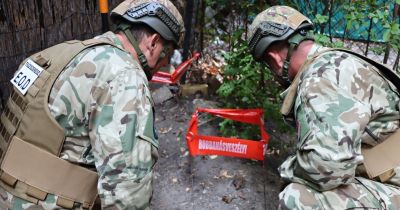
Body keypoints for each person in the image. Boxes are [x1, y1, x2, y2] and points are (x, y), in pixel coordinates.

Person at [0, 0, 184, 209]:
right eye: (166, 56)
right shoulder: (124, 77)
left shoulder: (57, 54)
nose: (163, 66)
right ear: (154, 42)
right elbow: (128, 193)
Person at [248, 5, 400, 209]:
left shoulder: (320, 78)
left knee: (299, 199)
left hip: (392, 182)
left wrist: (287, 168)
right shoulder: (336, 63)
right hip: (386, 174)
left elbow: (326, 168)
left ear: (274, 59)